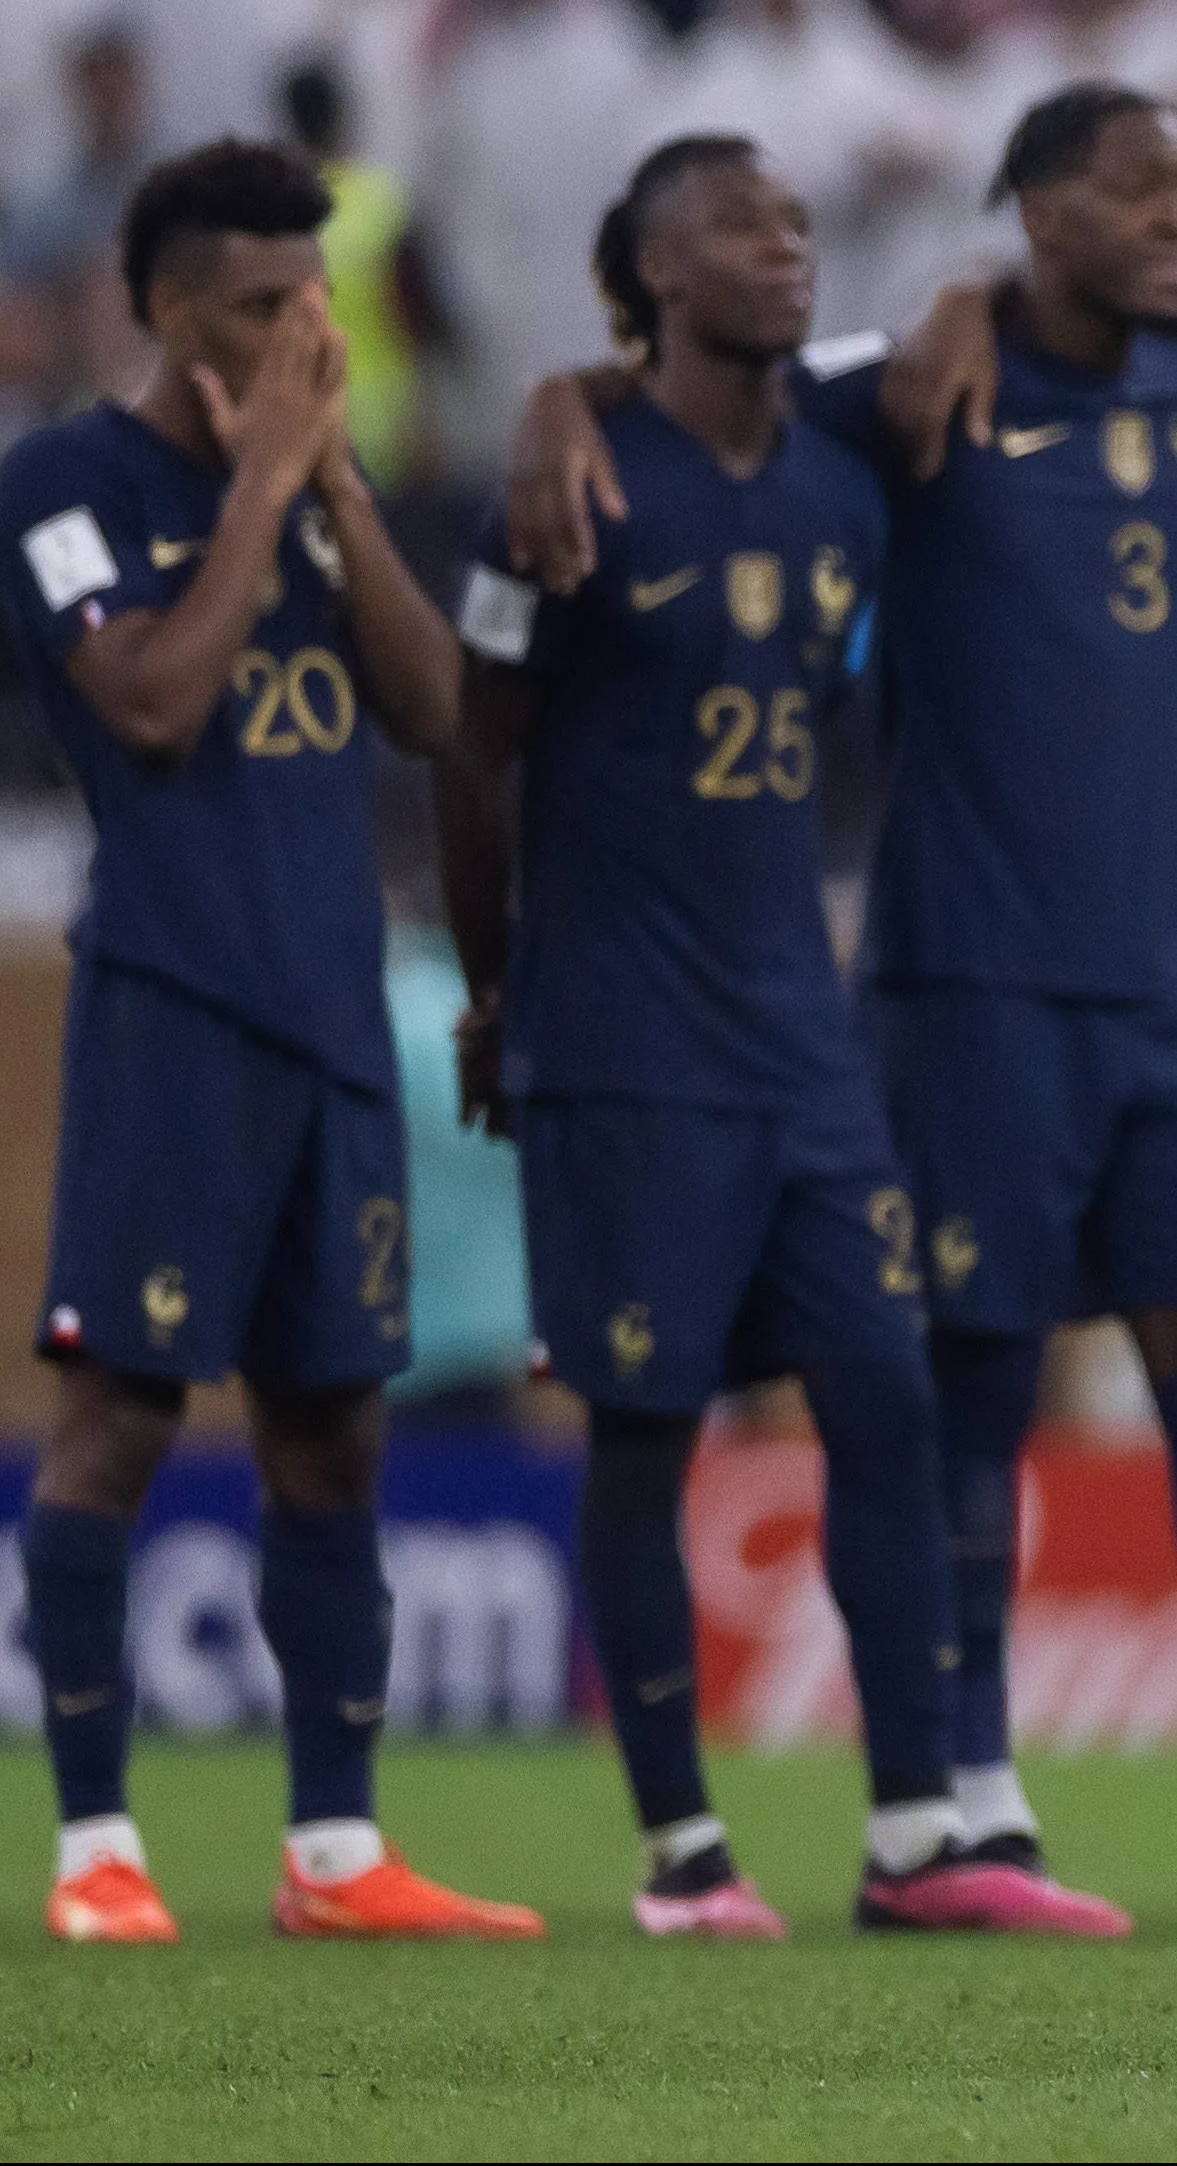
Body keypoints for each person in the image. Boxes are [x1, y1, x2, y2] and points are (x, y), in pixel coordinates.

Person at [502, 84, 1177, 1931]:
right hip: (970, 983)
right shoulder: (904, 383)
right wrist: (553, 401)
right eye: (1133, 184)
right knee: (972, 1400)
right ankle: (968, 1807)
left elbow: (1156, 565)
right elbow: (705, 394)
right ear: (1028, 206)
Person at [435, 136, 1120, 1940]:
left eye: (799, 224)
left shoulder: (836, 470)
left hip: (797, 1043)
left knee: (886, 1404)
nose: (786, 247)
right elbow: (470, 747)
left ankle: (914, 1839)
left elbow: (947, 331)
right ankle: (681, 1853)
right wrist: (498, 989)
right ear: (654, 271)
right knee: (648, 1429)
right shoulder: (574, 483)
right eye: (742, 228)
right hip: (621, 1038)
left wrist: (965, 285)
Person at [0, 138, 528, 1945]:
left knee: (333, 1443)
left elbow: (441, 707)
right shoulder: (63, 478)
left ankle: (335, 1853)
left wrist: (338, 498)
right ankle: (94, 1856)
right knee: (120, 1422)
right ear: (161, 306)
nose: (303, 332)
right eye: (257, 305)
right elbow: (147, 701)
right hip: (176, 1004)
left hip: (332, 1018)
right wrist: (259, 493)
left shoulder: (319, 479)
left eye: (317, 301)